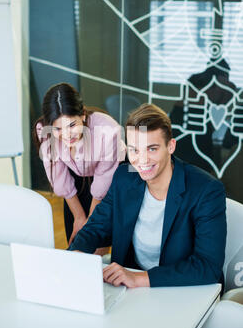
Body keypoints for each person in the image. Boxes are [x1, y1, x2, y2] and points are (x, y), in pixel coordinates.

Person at [69, 103, 227, 288]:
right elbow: (96, 227)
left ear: (171, 146)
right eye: (134, 149)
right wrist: (77, 254)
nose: (141, 160)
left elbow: (207, 267)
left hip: (185, 288)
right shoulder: (124, 177)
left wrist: (139, 279)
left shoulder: (206, 190)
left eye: (152, 149)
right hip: (133, 287)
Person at [34, 82, 125, 254]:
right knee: (76, 240)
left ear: (82, 115)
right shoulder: (45, 133)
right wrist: (79, 217)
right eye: (58, 128)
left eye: (72, 125)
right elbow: (60, 179)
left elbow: (101, 186)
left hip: (111, 174)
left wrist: (90, 224)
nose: (67, 135)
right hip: (77, 173)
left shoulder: (108, 131)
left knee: (97, 243)